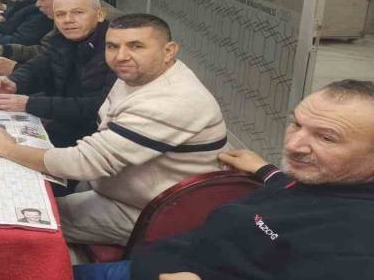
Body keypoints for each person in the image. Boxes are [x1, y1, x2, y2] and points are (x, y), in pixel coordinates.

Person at [77, 79, 374, 280]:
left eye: (327, 138)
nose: (295, 145)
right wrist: (265, 170)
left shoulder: (356, 248)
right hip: (155, 262)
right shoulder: (324, 179)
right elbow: (291, 190)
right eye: (296, 124)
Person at [0, 14, 228, 247]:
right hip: (113, 186)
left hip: (148, 212)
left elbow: (84, 162)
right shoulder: (140, 73)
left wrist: (7, 149)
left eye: (136, 46)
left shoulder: (171, 101)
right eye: (112, 46)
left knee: (15, 221)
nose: (121, 56)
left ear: (169, 51)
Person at [0, 0, 117, 148]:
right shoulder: (61, 40)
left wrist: (30, 104)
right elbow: (37, 67)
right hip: (63, 123)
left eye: (78, 13)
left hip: (94, 140)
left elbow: (99, 106)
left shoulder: (115, 50)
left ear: (100, 15)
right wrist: (13, 83)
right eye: (60, 14)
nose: (68, 20)